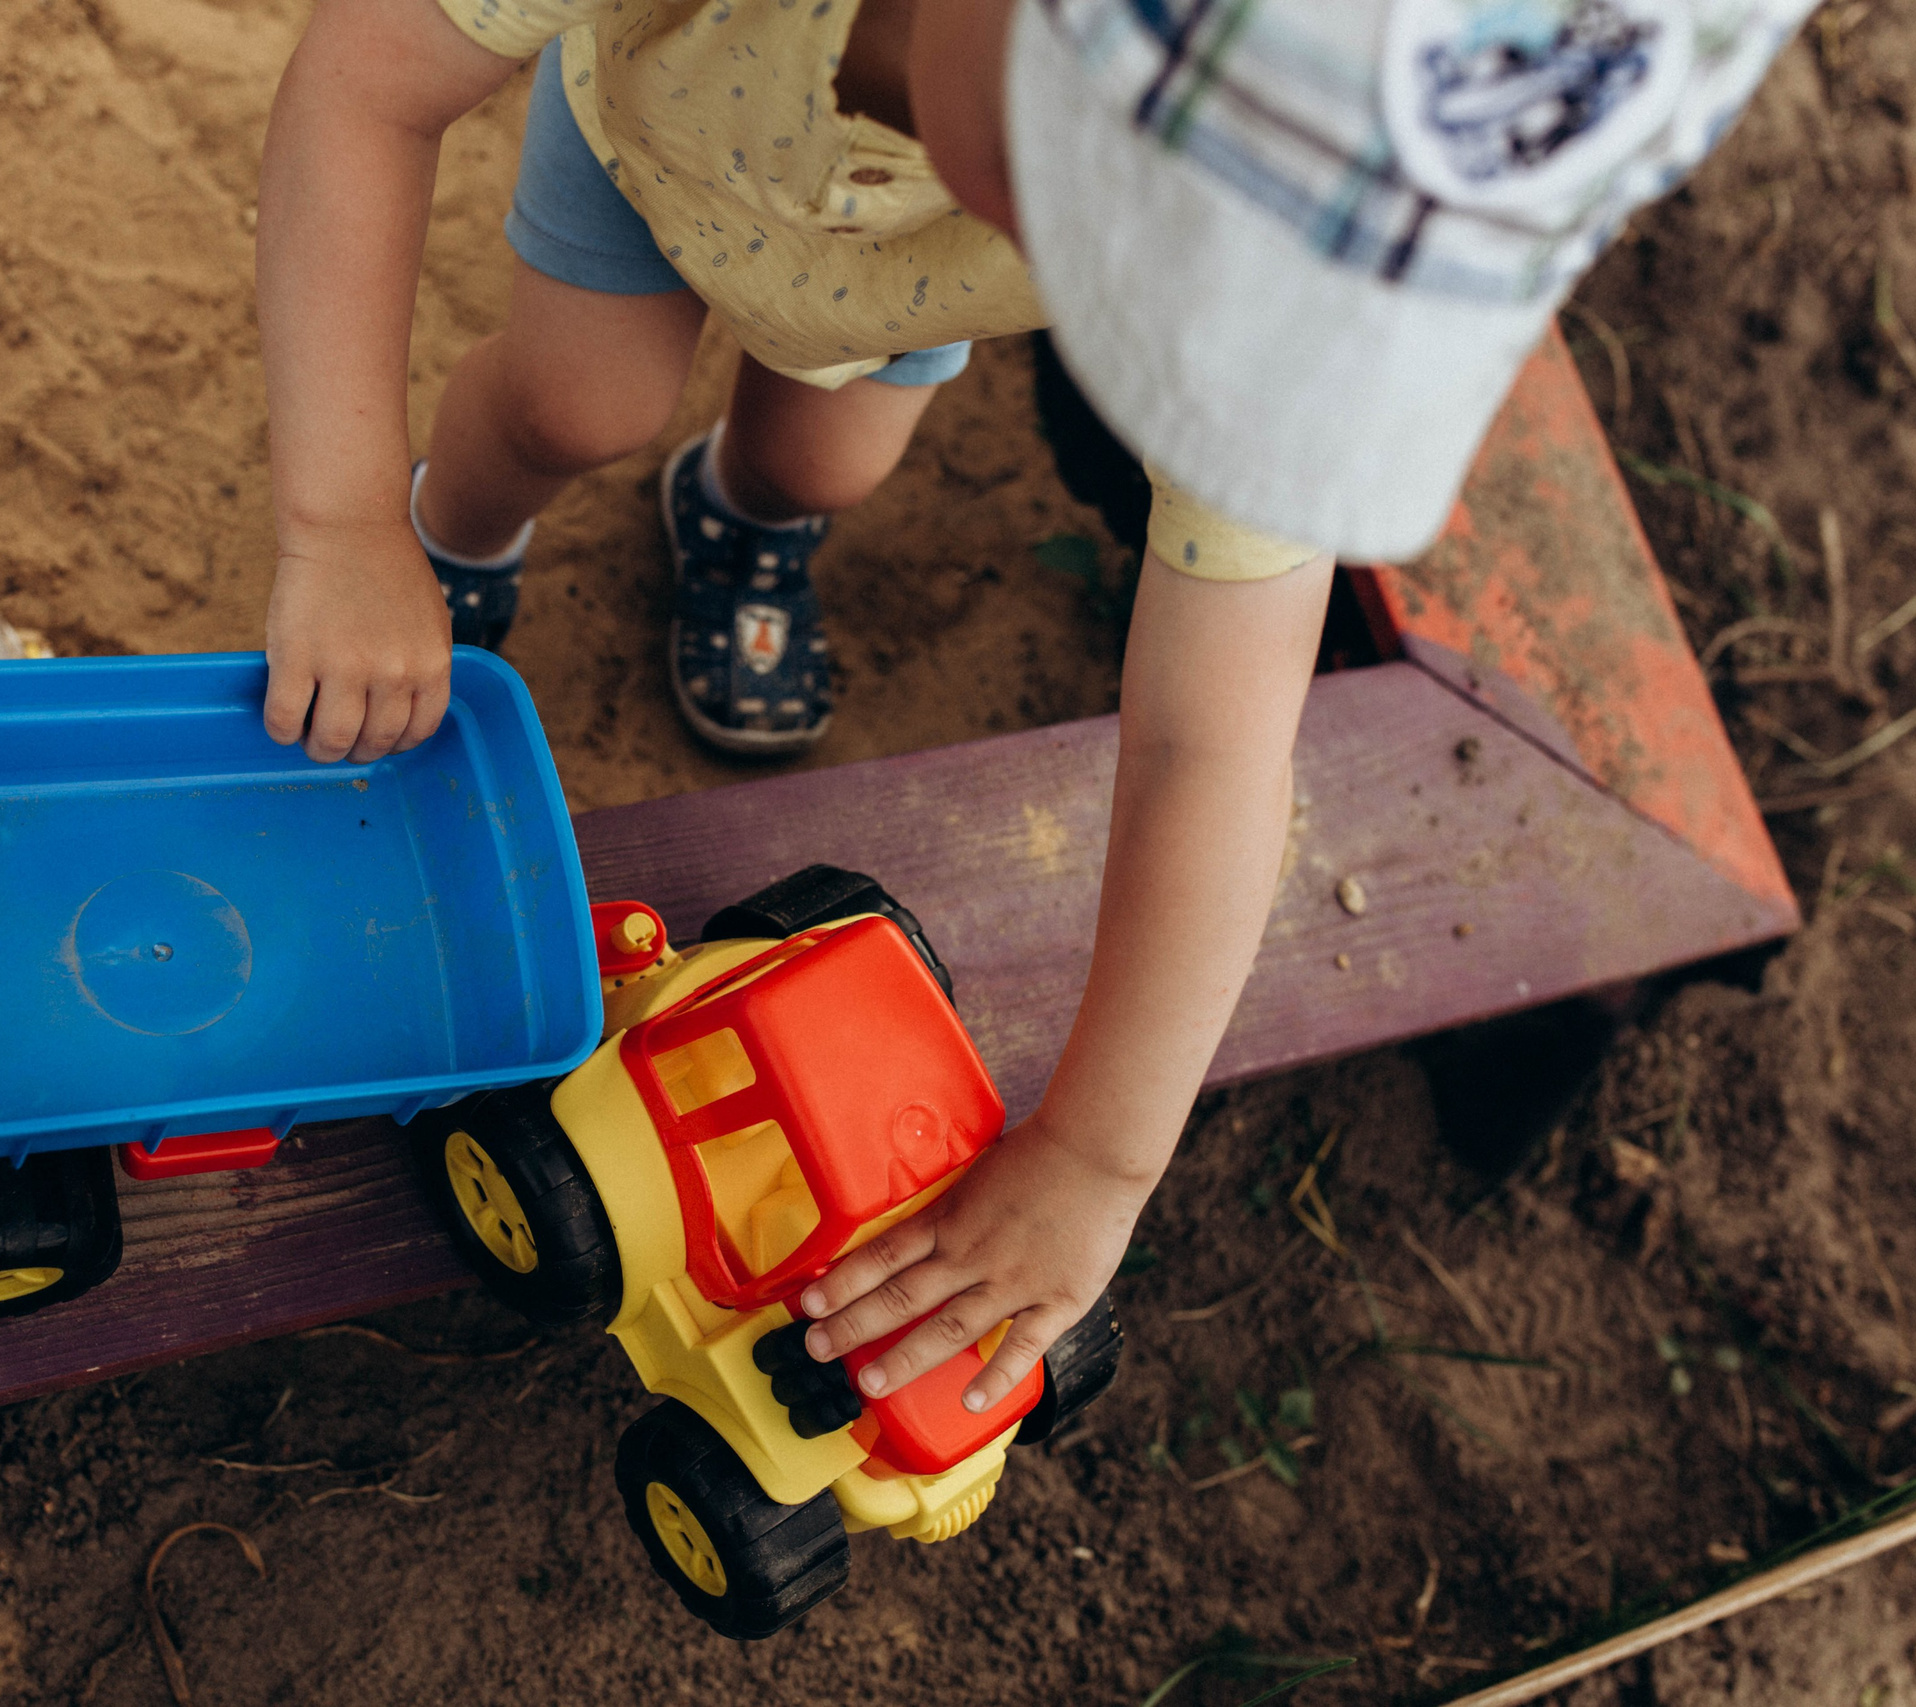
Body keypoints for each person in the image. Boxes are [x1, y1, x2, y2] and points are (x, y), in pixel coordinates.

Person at [253, 0, 1816, 1411]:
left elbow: (1219, 733)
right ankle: (453, 531)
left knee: (822, 464)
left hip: (903, 260)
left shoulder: (1206, 238)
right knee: (570, 398)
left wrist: (1100, 1154)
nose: (1208, 292)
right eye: (1161, 211)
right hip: (672, 125)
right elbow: (367, 83)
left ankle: (733, 507)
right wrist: (339, 529)